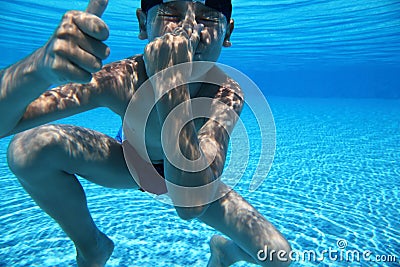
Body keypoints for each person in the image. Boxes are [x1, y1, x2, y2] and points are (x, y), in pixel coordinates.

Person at [0, 0, 291, 266]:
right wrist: (38, 69)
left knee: (279, 256)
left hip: (194, 179)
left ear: (227, 32)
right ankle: (92, 246)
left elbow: (190, 203)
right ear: (143, 24)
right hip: (127, 164)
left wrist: (170, 84)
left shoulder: (225, 92)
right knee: (27, 148)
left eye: (208, 18)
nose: (189, 29)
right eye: (171, 13)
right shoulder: (120, 79)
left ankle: (222, 254)